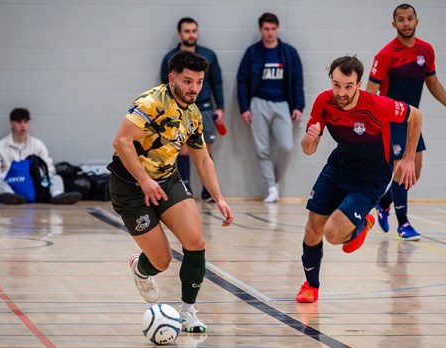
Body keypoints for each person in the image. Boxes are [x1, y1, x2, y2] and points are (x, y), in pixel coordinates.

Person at [107, 51, 233, 332]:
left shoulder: (194, 114)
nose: (194, 88)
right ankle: (141, 268)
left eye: (199, 82)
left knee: (196, 241)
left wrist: (220, 198)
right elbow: (121, 142)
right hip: (131, 187)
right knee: (161, 261)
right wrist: (143, 180)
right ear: (171, 78)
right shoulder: (151, 102)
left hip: (166, 181)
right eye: (188, 81)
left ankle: (188, 312)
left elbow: (202, 159)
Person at [296, 55, 422, 303]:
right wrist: (309, 139)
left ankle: (363, 223)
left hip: (370, 179)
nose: (341, 92)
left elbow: (415, 116)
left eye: (348, 86)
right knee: (312, 229)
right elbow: (307, 150)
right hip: (338, 169)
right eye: (336, 85)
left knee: (333, 234)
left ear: (359, 84)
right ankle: (311, 286)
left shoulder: (377, 105)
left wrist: (408, 158)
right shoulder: (324, 101)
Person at [366, 3, 446, 241]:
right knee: (402, 170)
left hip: (413, 121)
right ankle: (404, 224)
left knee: (413, 173)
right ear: (394, 24)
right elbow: (370, 92)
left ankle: (383, 202)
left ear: (417, 21)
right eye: (401, 19)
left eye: (410, 19)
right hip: (392, 120)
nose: (406, 23)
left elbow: (432, 83)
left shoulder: (426, 51)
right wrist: (369, 123)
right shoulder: (386, 54)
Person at [236, 12, 305, 203]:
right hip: (257, 102)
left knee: (286, 146)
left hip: (283, 102)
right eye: (266, 29)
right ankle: (271, 188)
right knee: (262, 149)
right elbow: (242, 81)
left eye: (273, 29)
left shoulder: (289, 52)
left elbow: (298, 81)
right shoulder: (252, 53)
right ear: (261, 29)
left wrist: (298, 106)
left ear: (278, 28)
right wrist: (244, 107)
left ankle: (274, 181)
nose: (270, 33)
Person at [160, 17, 225, 203]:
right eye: (187, 31)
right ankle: (185, 187)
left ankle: (208, 192)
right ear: (180, 34)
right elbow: (165, 83)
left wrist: (220, 107)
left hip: (204, 107)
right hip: (178, 108)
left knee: (204, 147)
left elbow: (217, 83)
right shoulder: (170, 58)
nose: (191, 35)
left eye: (194, 31)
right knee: (182, 147)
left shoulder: (209, 56)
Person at [0, 108, 82, 205]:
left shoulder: (37, 145)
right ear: (11, 123)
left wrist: (40, 179)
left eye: (25, 121)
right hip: (11, 183)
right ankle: (10, 196)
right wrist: (9, 178)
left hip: (34, 183)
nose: (23, 125)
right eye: (19, 122)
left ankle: (57, 195)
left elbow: (49, 168)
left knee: (56, 177)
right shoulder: (0, 146)